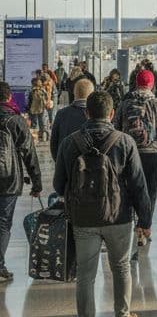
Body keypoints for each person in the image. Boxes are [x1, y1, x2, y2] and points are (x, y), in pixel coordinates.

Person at [53, 90, 152, 317]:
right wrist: (145, 219)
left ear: (87, 112)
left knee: (85, 276)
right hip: (119, 216)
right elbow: (139, 185)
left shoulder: (70, 142)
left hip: (83, 219)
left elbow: (58, 183)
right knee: (121, 268)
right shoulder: (125, 141)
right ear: (111, 114)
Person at [114, 69, 157, 247]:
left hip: (128, 152)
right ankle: (145, 227)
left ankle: (133, 224)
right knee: (150, 191)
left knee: (130, 189)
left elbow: (116, 129)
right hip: (151, 153)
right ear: (151, 85)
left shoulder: (125, 104)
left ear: (136, 83)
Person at [0, 82, 42, 283]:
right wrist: (36, 183)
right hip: (8, 179)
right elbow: (29, 154)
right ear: (9, 98)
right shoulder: (15, 121)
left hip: (8, 180)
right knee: (3, 223)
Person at [50, 77, 94, 159]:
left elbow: (54, 143)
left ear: (74, 92)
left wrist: (59, 162)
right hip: (89, 164)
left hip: (66, 162)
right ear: (92, 94)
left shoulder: (62, 113)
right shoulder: (95, 113)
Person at [27, 75, 51, 141]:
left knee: (36, 124)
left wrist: (28, 109)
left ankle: (37, 137)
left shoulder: (32, 90)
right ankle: (44, 137)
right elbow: (47, 98)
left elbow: (28, 100)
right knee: (43, 123)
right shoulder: (42, 90)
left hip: (34, 110)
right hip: (42, 109)